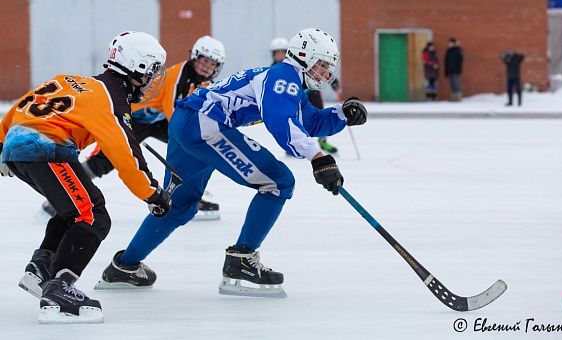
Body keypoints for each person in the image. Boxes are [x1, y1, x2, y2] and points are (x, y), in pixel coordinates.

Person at [95, 28, 368, 298]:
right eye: (321, 65)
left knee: (178, 206)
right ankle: (241, 260)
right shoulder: (284, 77)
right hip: (204, 125)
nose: (324, 73)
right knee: (278, 182)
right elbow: (280, 121)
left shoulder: (287, 81)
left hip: (188, 121)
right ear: (304, 56)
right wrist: (318, 157)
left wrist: (342, 114)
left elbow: (311, 122)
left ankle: (124, 266)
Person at [0, 31, 172, 323]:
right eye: (153, 70)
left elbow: (23, 104)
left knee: (75, 210)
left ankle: (41, 267)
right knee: (94, 216)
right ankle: (60, 289)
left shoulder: (68, 80)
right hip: (46, 149)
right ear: (138, 67)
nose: (154, 79)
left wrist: (2, 143)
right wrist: (152, 193)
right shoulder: (110, 99)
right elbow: (124, 152)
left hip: (18, 149)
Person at [74, 35, 225, 221]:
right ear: (195, 56)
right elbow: (175, 114)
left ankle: (189, 196)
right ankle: (70, 189)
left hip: (158, 120)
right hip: (136, 116)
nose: (206, 67)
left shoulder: (205, 83)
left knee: (195, 151)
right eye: (204, 61)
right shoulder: (176, 75)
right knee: (106, 159)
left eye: (212, 64)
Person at [271, 36, 340, 154]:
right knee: (297, 118)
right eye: (276, 53)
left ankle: (323, 141)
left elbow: (315, 68)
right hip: (296, 97)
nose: (279, 55)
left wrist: (334, 82)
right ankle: (296, 141)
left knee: (319, 114)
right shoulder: (274, 69)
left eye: (282, 52)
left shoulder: (297, 62)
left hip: (312, 92)